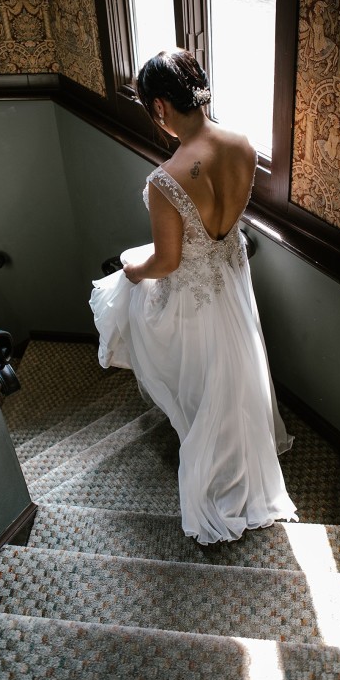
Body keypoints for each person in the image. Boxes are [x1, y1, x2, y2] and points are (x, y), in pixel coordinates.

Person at [90, 48, 298, 545]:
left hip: (193, 289)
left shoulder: (166, 180)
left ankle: (217, 473)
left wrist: (130, 268)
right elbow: (219, 230)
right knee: (234, 360)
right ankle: (242, 445)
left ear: (160, 107)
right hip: (230, 273)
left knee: (135, 302)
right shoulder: (243, 143)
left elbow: (166, 262)